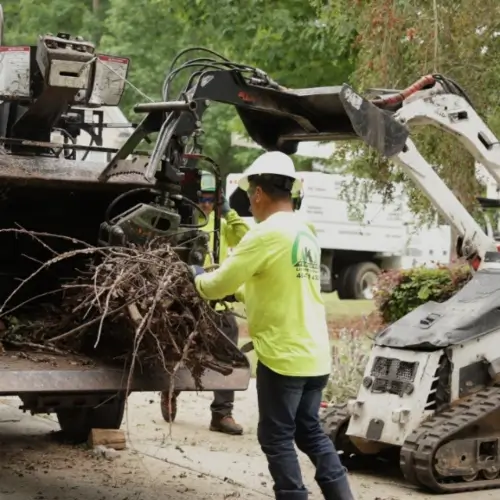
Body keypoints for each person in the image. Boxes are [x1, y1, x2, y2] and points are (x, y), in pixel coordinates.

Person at [190, 152, 354, 500]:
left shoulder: (265, 234)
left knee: (276, 436)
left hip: (284, 357)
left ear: (260, 193)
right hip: (315, 355)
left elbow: (215, 285)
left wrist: (194, 279)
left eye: (250, 195)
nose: (250, 201)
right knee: (309, 431)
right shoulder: (304, 232)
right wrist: (239, 294)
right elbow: (274, 282)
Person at [160, 171, 250, 435]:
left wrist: (230, 214)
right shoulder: (183, 224)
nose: (207, 205)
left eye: (212, 200)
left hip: (216, 301)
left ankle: (222, 414)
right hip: (184, 301)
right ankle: (170, 392)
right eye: (203, 200)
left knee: (228, 354)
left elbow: (247, 240)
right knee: (178, 349)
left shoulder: (219, 224)